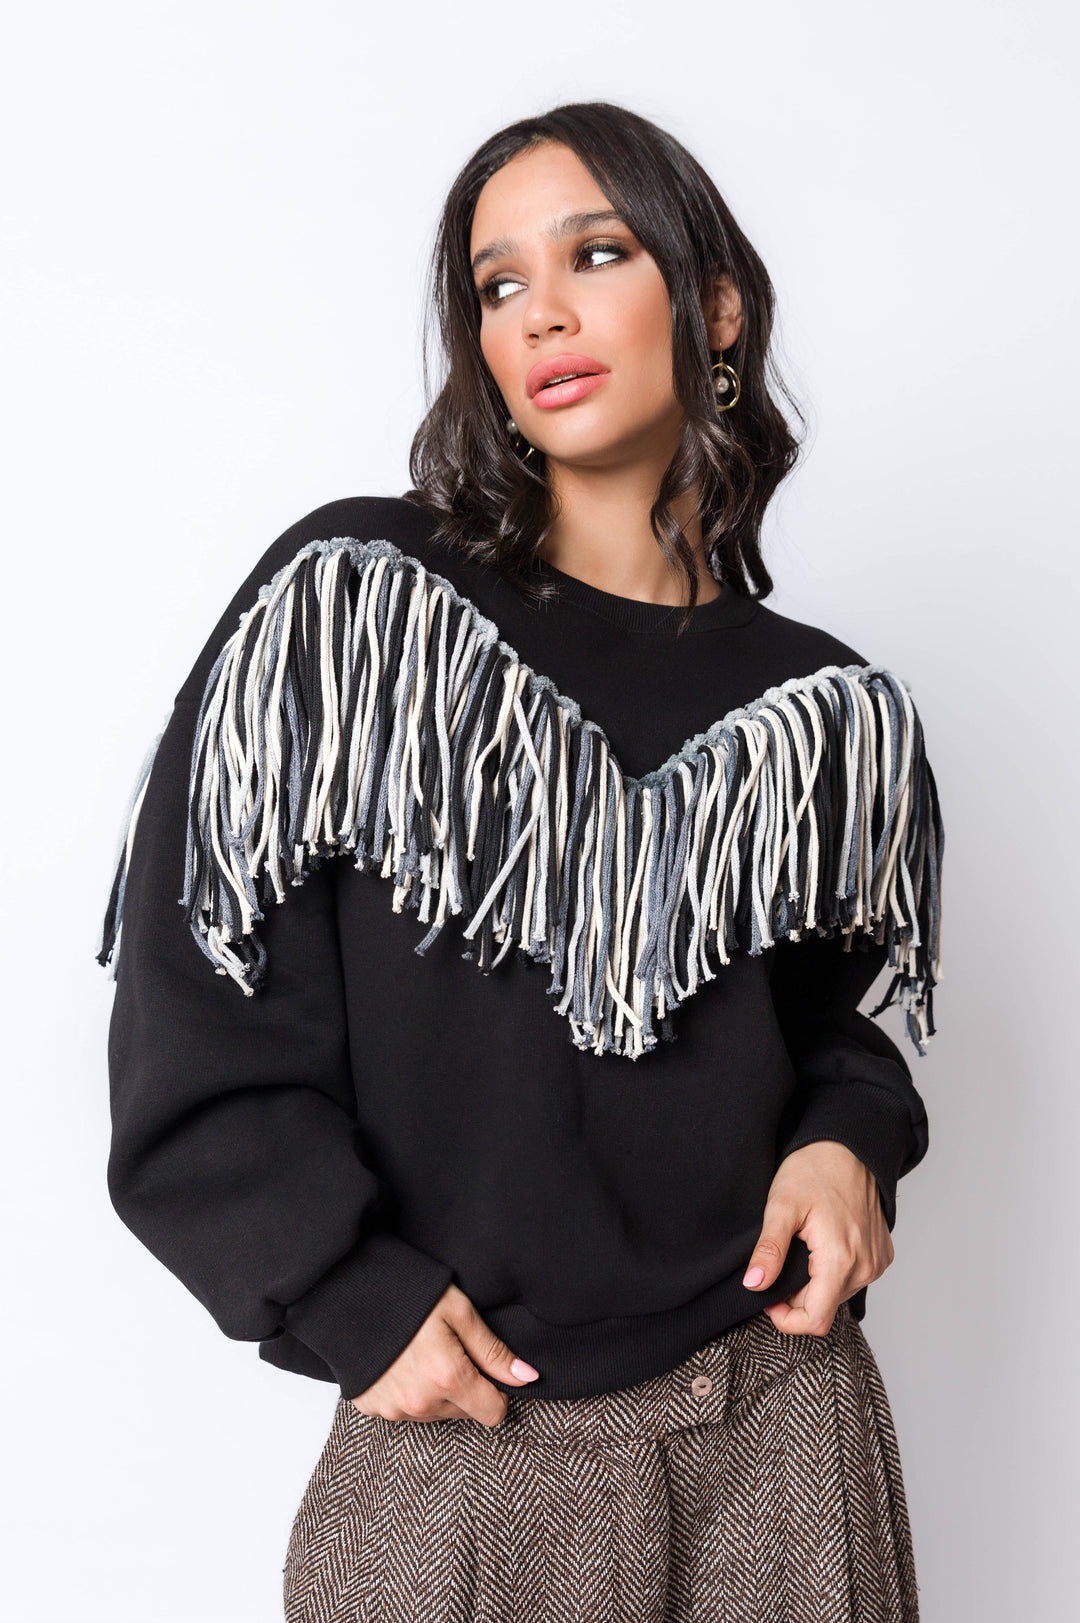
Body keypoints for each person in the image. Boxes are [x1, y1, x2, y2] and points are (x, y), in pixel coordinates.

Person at [97, 101, 943, 1622]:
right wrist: (343, 1293)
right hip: (463, 1451)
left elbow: (825, 1030)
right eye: (497, 285)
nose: (541, 311)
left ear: (717, 308)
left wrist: (848, 1140)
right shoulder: (361, 611)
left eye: (596, 255)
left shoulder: (823, 710)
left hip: (782, 1433)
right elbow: (197, 985)